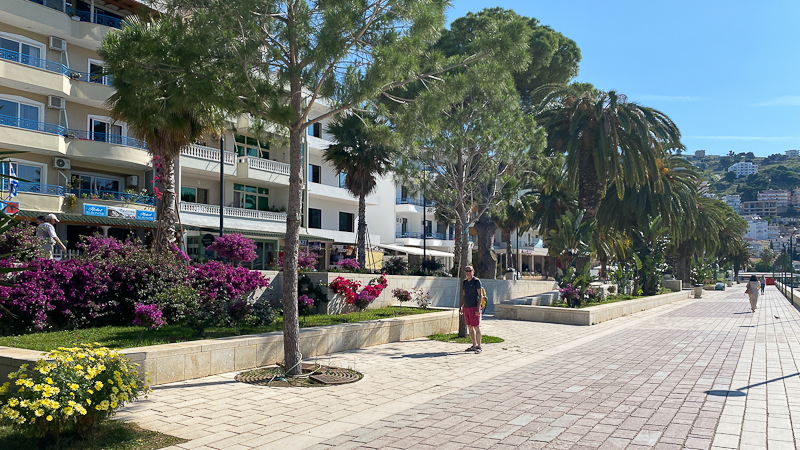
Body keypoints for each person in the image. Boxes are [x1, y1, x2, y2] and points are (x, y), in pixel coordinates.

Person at [459, 265, 483, 354]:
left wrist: (477, 308)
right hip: (467, 307)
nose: (468, 272)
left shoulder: (476, 281)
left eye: (470, 271)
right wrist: (461, 306)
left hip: (474, 306)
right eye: (467, 271)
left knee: (476, 326)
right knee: (469, 326)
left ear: (473, 272)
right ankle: (474, 345)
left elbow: (480, 295)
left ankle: (479, 346)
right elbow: (464, 295)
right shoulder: (465, 282)